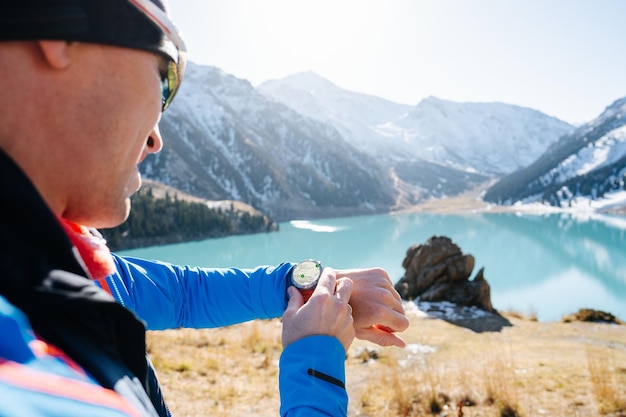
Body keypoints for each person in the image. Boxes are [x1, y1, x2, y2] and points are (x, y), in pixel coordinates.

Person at [0, 1, 408, 416]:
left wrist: (309, 284)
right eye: (166, 76)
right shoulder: (25, 388)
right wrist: (315, 360)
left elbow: (182, 294)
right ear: (60, 29)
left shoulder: (48, 261)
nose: (157, 138)